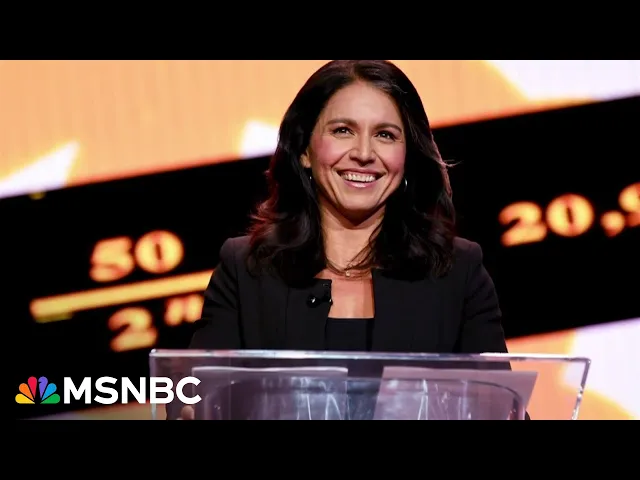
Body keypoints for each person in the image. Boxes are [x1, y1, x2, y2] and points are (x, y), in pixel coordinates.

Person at [174, 60, 509, 420]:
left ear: (408, 157)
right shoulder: (246, 269)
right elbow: (190, 398)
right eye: (343, 130)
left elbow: (505, 407)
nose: (364, 153)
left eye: (385, 135)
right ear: (304, 150)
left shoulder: (458, 273)